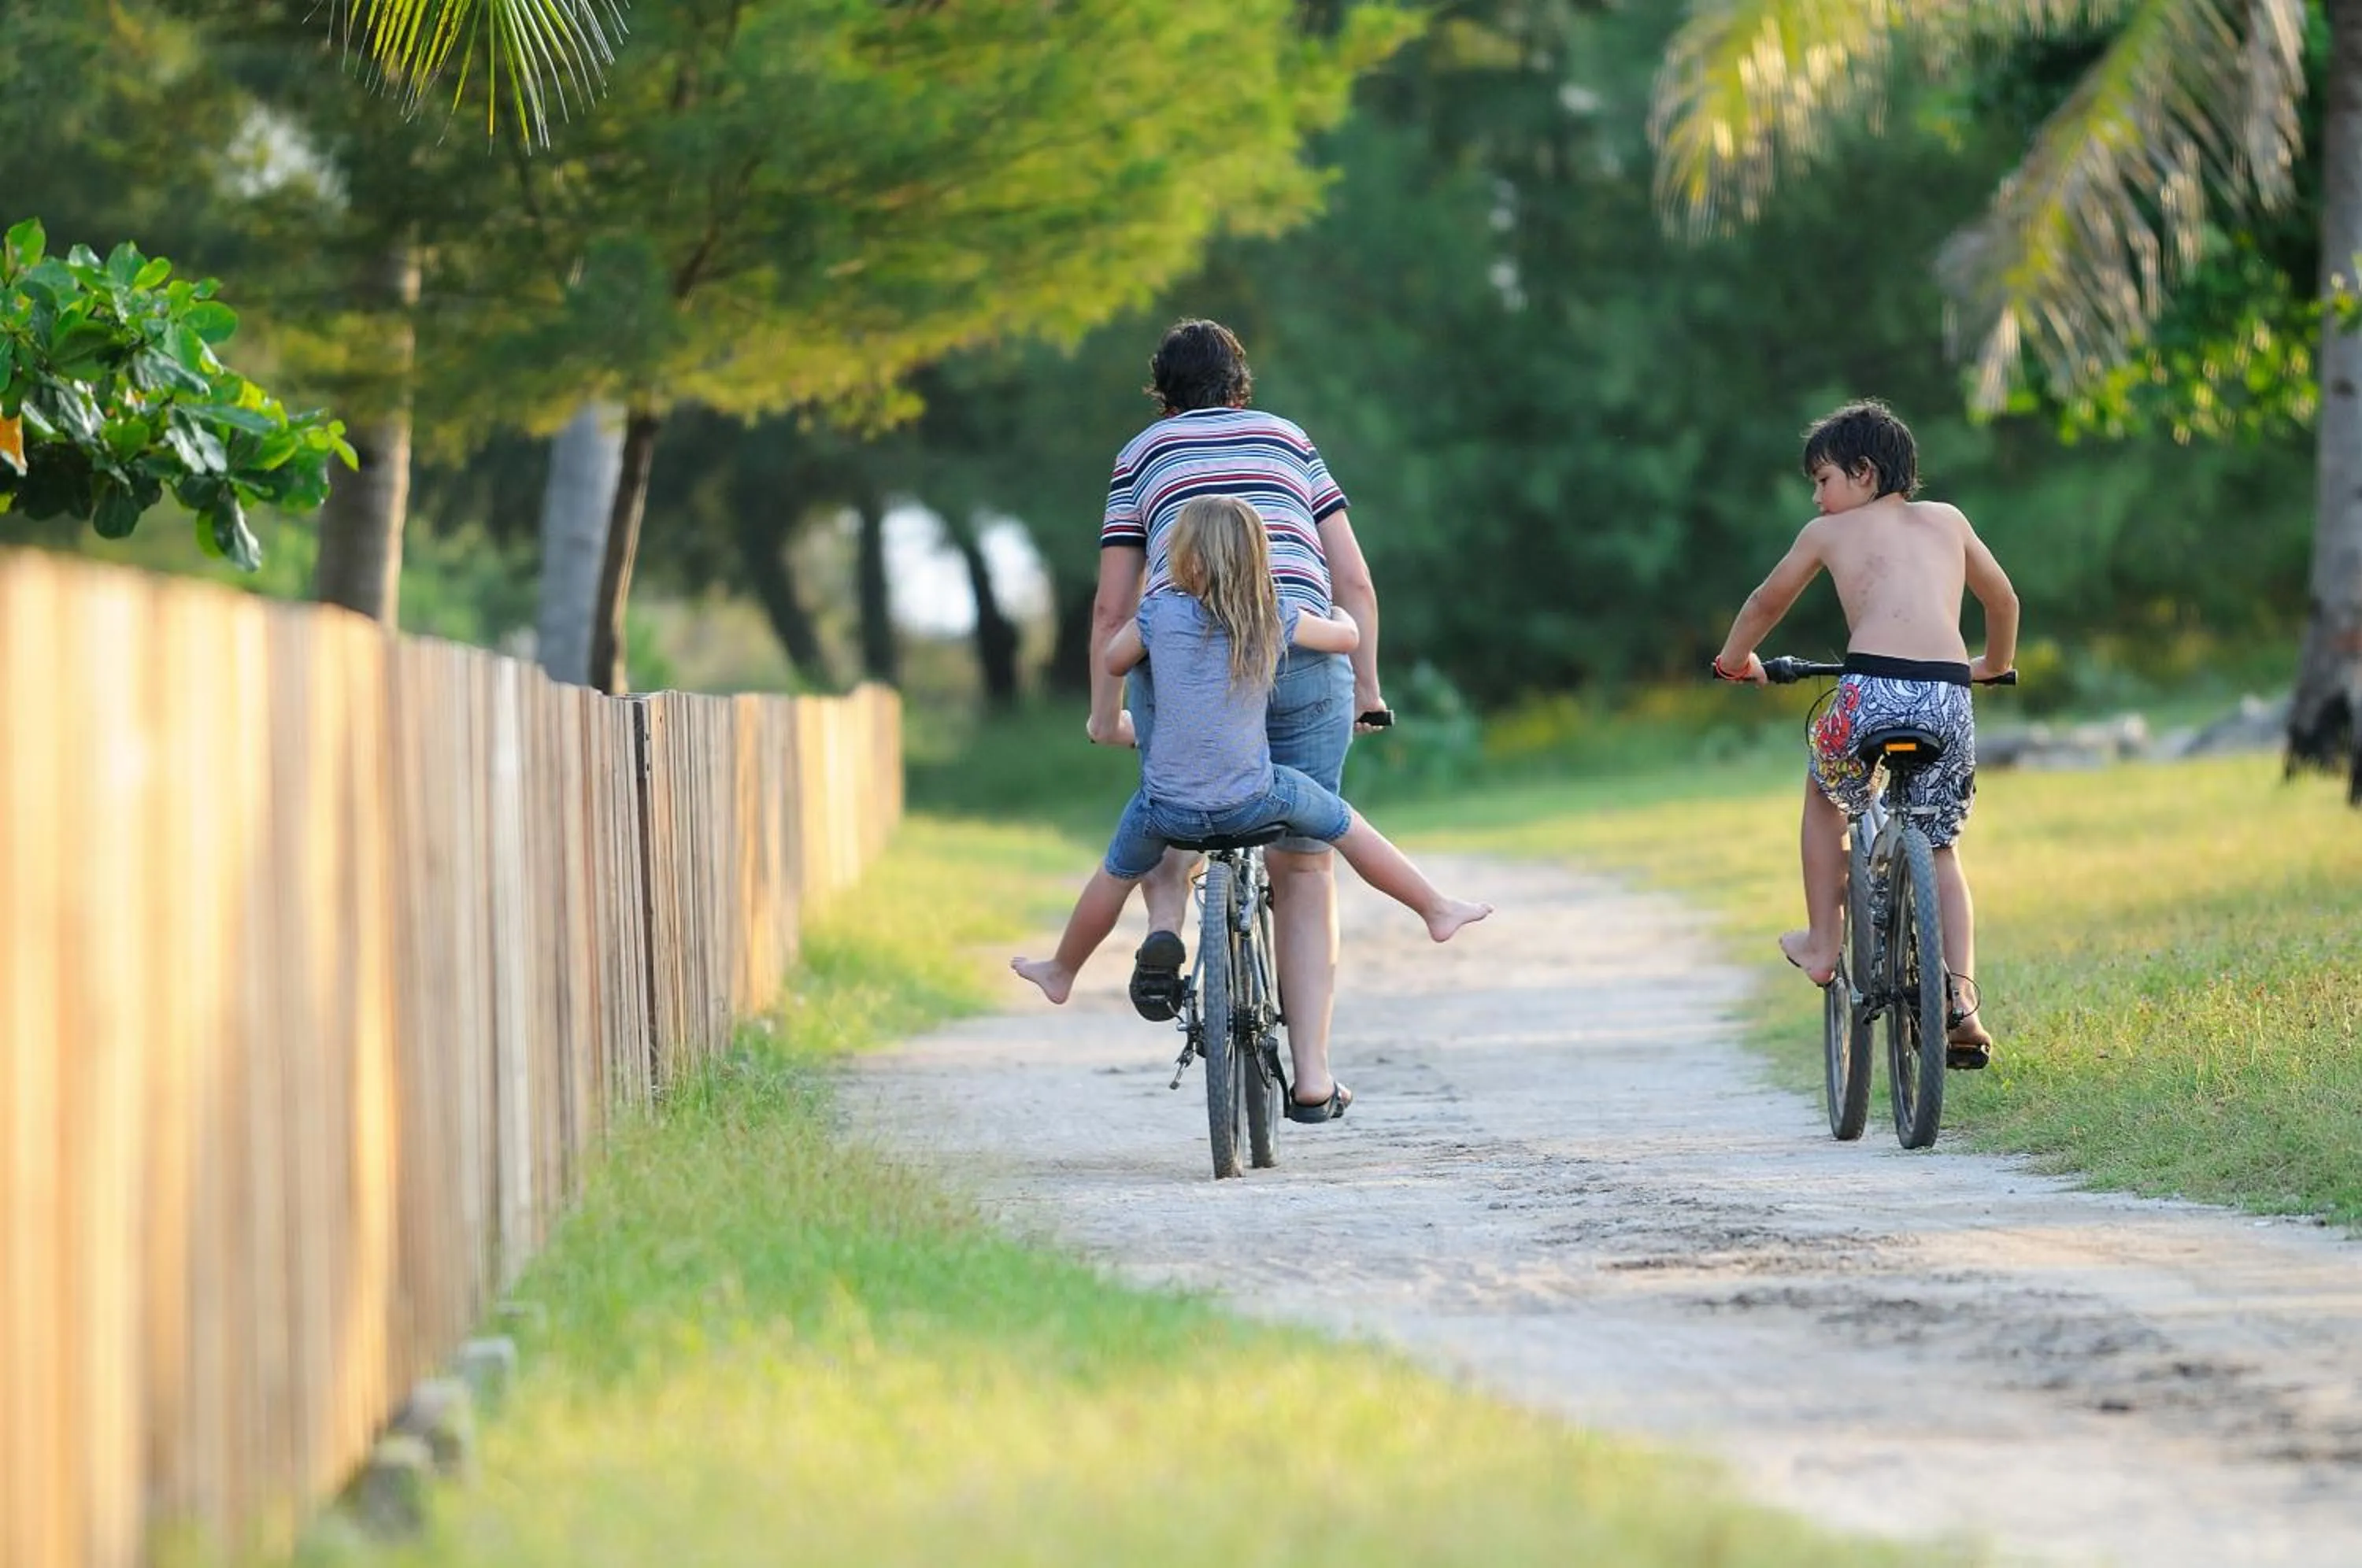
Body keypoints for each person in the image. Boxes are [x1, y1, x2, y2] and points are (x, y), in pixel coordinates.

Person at [1024, 498, 1489, 1117]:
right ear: (1260, 557)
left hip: (1167, 808)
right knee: (1342, 826)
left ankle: (1061, 970)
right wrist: (1347, 614)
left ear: (1181, 559)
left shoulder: (1159, 611)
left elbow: (1113, 658)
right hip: (1257, 795)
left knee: (1114, 874)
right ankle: (1435, 907)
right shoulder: (1273, 613)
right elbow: (1346, 637)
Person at [1090, 319, 1384, 1115]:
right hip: (1294, 645)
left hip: (1176, 652)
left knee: (1173, 799)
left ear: (1163, 393)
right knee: (1306, 862)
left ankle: (1168, 923)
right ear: (1239, 384)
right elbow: (1352, 581)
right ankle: (1315, 1078)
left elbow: (1114, 604)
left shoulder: (1141, 455)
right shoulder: (1289, 438)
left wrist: (1104, 713)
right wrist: (1368, 689)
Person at [1712, 399, 2020, 1068]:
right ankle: (1963, 1005)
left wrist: (1734, 661)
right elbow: (2004, 601)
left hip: (1869, 692)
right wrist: (1992, 668)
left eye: (1823, 481)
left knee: (1826, 791)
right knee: (1941, 847)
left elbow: (1767, 600)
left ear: (1863, 471)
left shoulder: (1827, 536)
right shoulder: (1949, 521)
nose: (1819, 499)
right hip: (1947, 699)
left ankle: (1825, 942)